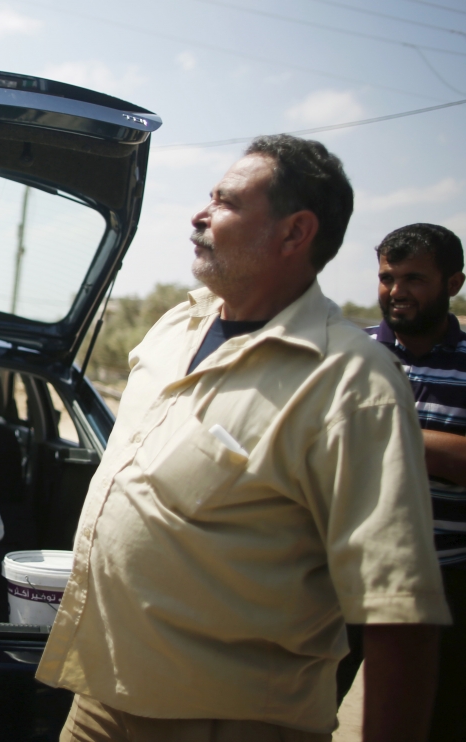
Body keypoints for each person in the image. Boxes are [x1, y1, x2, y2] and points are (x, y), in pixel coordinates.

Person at [35, 135, 450, 742]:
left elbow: (400, 617)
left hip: (227, 719)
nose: (199, 215)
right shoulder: (181, 324)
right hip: (102, 694)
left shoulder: (347, 381)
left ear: (294, 233)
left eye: (225, 203)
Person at [365, 223, 466, 742]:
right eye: (387, 277)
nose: (396, 291)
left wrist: (380, 427)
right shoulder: (346, 355)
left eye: (414, 279)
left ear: (454, 282)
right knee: (294, 716)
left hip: (445, 580)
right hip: (338, 573)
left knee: (432, 722)